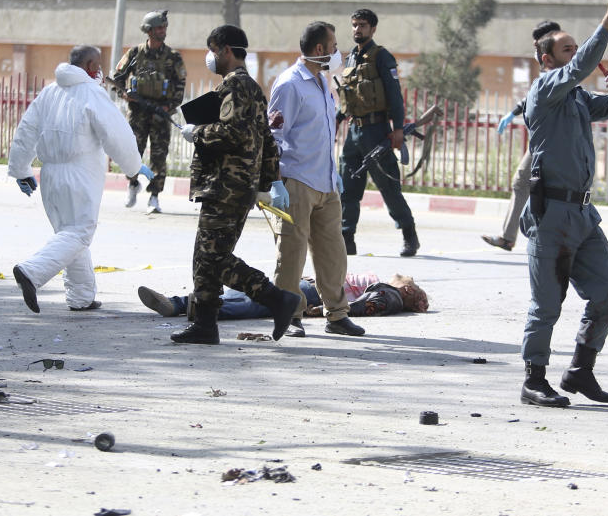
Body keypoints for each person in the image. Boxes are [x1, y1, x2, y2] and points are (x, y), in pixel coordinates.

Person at [519, 0, 608, 407]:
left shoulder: (579, 99)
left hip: (583, 215)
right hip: (552, 214)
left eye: (575, 48)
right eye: (567, 49)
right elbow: (584, 64)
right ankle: (533, 380)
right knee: (547, 304)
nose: (577, 54)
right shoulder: (545, 91)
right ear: (547, 60)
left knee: (606, 292)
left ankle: (580, 370)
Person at [173, 25, 298, 345]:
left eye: (213, 50)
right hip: (232, 185)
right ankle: (205, 324)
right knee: (206, 257)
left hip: (226, 185)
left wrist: (196, 133)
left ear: (226, 50)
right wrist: (273, 180)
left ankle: (275, 299)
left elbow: (232, 134)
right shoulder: (252, 89)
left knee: (212, 257)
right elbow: (268, 142)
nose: (210, 58)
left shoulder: (235, 87)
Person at [8, 45, 152, 313]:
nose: (100, 70)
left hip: (50, 174)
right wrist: (135, 166)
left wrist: (21, 170)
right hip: (80, 173)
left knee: (70, 234)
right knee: (79, 233)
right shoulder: (92, 94)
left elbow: (26, 130)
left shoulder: (49, 92)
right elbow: (117, 135)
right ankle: (31, 272)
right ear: (88, 65)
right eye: (97, 64)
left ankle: (81, 297)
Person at [268, 21, 364, 338]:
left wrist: (333, 175)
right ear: (320, 50)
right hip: (296, 181)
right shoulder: (290, 84)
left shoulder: (323, 83)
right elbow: (275, 136)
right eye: (334, 46)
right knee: (292, 254)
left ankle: (337, 315)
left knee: (333, 253)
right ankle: (289, 316)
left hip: (325, 181)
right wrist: (275, 181)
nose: (338, 52)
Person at [337, 8, 419, 257]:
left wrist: (396, 130)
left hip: (377, 130)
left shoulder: (382, 57)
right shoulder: (351, 57)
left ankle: (409, 234)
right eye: (354, 25)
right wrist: (336, 120)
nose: (357, 30)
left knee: (388, 186)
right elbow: (347, 97)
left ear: (373, 28)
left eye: (362, 25)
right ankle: (347, 238)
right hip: (354, 131)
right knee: (348, 186)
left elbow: (395, 95)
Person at [482, 21, 562, 252]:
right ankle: (511, 237)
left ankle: (512, 238)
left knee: (533, 184)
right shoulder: (552, 64)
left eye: (538, 43)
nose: (535, 49)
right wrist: (514, 113)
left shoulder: (558, 66)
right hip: (544, 136)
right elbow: (535, 97)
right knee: (532, 184)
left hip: (552, 137)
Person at [110, 10, 187, 214]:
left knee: (159, 157)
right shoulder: (135, 54)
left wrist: (168, 107)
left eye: (164, 27)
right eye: (159, 28)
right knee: (132, 151)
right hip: (137, 113)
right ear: (149, 30)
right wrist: (124, 94)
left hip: (160, 114)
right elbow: (117, 78)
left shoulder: (173, 57)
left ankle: (154, 196)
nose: (163, 31)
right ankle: (133, 184)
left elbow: (180, 87)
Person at [137, 273, 429, 319]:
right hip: (306, 284)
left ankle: (181, 305)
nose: (397, 275)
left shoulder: (390, 294)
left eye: (403, 278)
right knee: (247, 294)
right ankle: (220, 289)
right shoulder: (390, 289)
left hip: (311, 293)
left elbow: (371, 305)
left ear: (409, 290)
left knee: (254, 305)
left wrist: (333, 310)